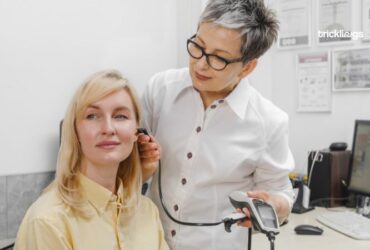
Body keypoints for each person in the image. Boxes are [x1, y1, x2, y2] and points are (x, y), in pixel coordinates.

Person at [138, 0, 295, 249]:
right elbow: (131, 167)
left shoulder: (269, 121)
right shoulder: (160, 90)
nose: (201, 64)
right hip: (152, 241)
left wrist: (276, 205)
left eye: (219, 58)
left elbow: (282, 193)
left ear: (247, 67)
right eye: (198, 46)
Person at [15, 70, 169, 250]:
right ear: (75, 130)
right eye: (92, 116)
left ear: (137, 131)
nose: (108, 128)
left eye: (120, 116)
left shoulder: (147, 212)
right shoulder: (47, 221)